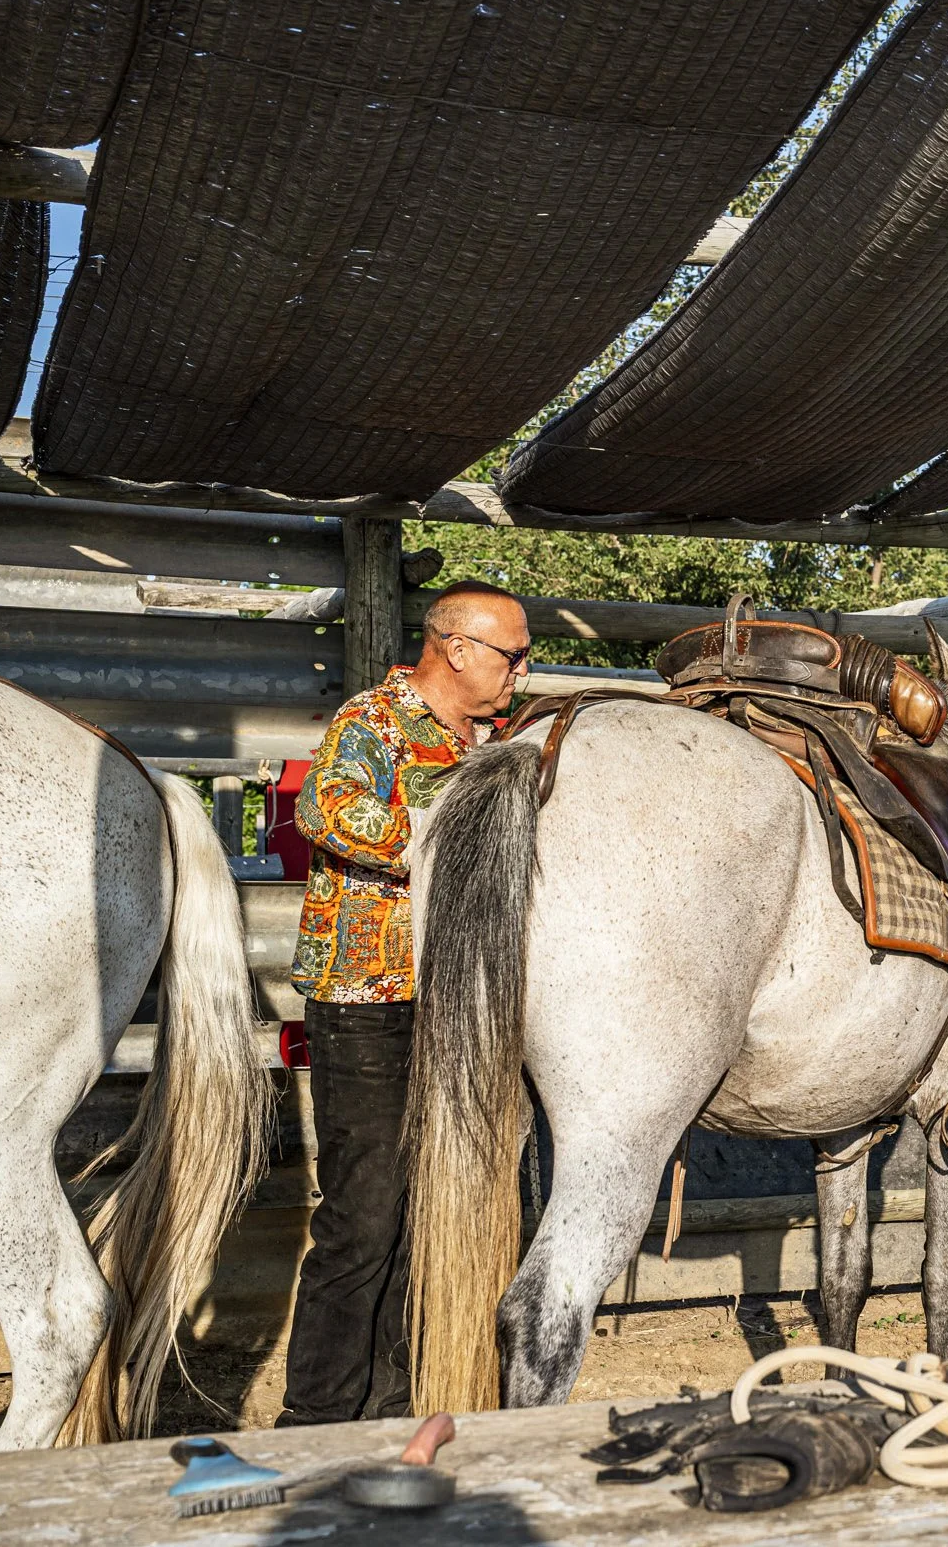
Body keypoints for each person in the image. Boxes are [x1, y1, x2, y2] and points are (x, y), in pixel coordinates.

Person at [277, 580, 531, 1426]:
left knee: (424, 1214)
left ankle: (389, 1409)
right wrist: (453, 842)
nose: (521, 673)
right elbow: (326, 808)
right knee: (364, 1214)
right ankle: (315, 1417)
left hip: (452, 1004)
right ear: (456, 648)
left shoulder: (491, 743)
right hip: (366, 999)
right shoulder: (374, 720)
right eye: (512, 655)